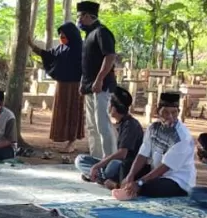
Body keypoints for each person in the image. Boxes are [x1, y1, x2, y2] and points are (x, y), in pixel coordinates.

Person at [113, 92, 195, 200]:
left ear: (178, 112)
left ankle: (125, 189)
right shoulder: (153, 128)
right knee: (126, 165)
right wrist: (130, 175)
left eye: (174, 113)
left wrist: (139, 183)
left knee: (149, 187)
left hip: (176, 180)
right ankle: (126, 187)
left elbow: (164, 167)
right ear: (158, 111)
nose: (170, 117)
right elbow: (142, 154)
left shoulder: (182, 137)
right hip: (155, 172)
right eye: (165, 112)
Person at [29, 21, 85, 153]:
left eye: (64, 36)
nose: (61, 39)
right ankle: (61, 137)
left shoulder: (80, 49)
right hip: (62, 84)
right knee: (62, 110)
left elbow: (86, 67)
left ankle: (72, 141)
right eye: (60, 36)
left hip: (75, 85)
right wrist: (32, 46)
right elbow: (48, 55)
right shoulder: (60, 48)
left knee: (73, 111)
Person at [75, 86, 143, 188]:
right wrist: (102, 162)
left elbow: (122, 154)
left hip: (127, 166)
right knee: (80, 160)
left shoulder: (130, 125)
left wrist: (98, 165)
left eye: (109, 104)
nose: (108, 107)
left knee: (113, 165)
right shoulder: (120, 123)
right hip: (116, 162)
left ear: (114, 108)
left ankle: (102, 178)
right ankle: (102, 177)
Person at [77, 1, 117, 160]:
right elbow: (88, 62)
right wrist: (83, 83)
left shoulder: (102, 32)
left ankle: (110, 161)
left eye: (80, 16)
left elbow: (110, 56)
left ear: (87, 15)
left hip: (102, 86)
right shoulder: (88, 35)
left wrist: (99, 79)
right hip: (89, 87)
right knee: (92, 127)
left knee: (103, 125)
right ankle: (96, 160)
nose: (78, 20)